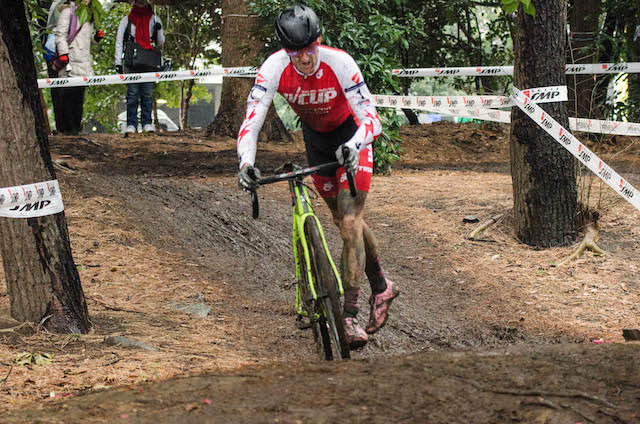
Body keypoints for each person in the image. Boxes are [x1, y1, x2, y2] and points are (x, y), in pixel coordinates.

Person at [236, 5, 400, 349]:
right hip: (317, 141)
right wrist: (245, 163)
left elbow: (372, 118)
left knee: (350, 221)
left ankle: (350, 314)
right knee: (345, 220)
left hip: (352, 136)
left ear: (319, 41)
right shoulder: (274, 69)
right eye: (296, 52)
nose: (305, 59)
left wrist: (355, 145)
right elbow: (252, 121)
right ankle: (382, 286)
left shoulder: (339, 63)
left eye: (310, 49)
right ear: (285, 50)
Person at [54, 0, 104, 135]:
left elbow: (88, 41)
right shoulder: (68, 11)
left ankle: (76, 128)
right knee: (68, 95)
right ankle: (68, 129)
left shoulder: (89, 14)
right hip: (70, 60)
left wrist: (96, 38)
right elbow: (61, 34)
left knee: (79, 97)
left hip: (84, 61)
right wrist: (63, 54)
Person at [114, 0, 165, 134]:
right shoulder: (127, 20)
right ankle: (131, 124)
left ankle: (147, 123)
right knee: (132, 94)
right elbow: (119, 40)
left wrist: (159, 30)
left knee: (147, 95)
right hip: (132, 62)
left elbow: (160, 42)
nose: (141, 3)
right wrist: (118, 62)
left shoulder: (154, 19)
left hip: (149, 61)